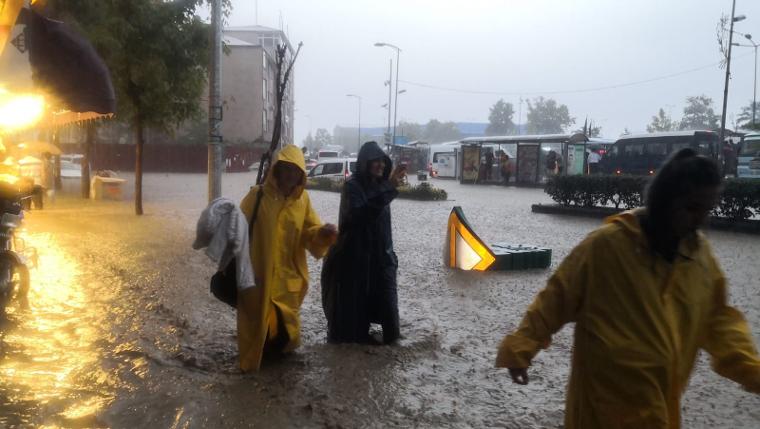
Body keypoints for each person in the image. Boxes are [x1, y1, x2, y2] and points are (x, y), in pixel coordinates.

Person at [495, 148, 760, 429]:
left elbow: (720, 323)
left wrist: (752, 370)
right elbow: (555, 299)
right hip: (601, 414)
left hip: (659, 414)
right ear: (665, 199)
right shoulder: (606, 246)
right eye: (691, 208)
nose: (699, 221)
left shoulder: (700, 257)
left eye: (706, 210)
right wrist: (520, 348)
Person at [237, 144, 338, 372]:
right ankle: (254, 371)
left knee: (285, 332)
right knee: (256, 328)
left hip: (288, 278)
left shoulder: (303, 201)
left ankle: (277, 372)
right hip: (258, 276)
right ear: (277, 170)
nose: (291, 175)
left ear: (301, 175)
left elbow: (308, 232)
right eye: (286, 169)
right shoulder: (257, 196)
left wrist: (322, 233)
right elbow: (238, 228)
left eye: (296, 171)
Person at [321, 141, 405, 345]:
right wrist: (389, 188)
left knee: (392, 327)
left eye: (383, 162)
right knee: (352, 331)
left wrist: (391, 260)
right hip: (355, 261)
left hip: (382, 260)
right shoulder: (352, 187)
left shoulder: (381, 186)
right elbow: (361, 214)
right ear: (364, 163)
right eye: (375, 162)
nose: (381, 166)